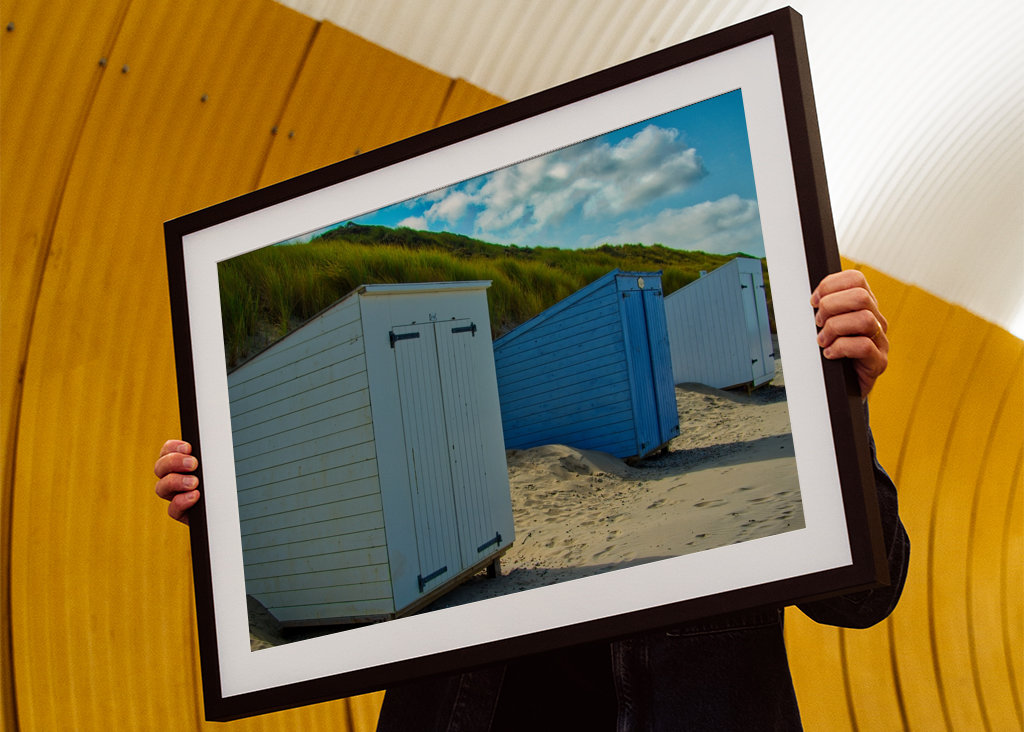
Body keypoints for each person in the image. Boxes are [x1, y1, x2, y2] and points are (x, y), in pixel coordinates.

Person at [155, 269, 908, 730]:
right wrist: (228, 512)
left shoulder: (814, 405)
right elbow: (326, 602)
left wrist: (842, 409)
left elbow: (865, 598)